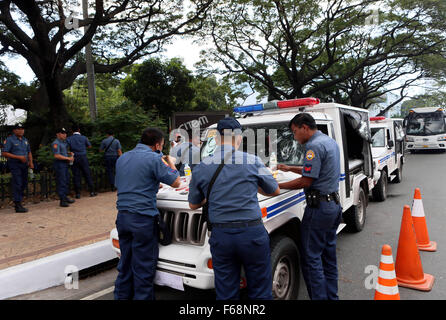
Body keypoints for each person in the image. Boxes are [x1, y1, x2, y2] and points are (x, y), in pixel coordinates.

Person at [188, 117, 280, 300]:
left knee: (226, 293)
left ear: (216, 138)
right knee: (260, 290)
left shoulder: (200, 166)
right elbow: (275, 190)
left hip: (221, 237)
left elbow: (193, 204)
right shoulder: (253, 160)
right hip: (252, 234)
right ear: (239, 137)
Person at [277, 113, 342, 300]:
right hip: (333, 206)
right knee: (328, 258)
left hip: (318, 209)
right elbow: (316, 169)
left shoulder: (313, 146)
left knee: (311, 258)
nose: (295, 137)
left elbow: (306, 181)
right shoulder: (328, 142)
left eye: (295, 132)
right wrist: (290, 169)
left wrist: (277, 185)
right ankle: (332, 297)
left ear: (304, 127)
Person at [114, 128, 180, 300]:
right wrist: (169, 161)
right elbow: (176, 182)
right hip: (142, 220)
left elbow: (126, 183)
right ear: (157, 145)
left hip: (122, 218)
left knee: (125, 265)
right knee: (143, 268)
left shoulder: (123, 158)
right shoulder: (155, 158)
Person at [2, 124, 33, 212]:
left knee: (24, 183)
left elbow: (29, 152)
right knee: (18, 183)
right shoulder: (9, 140)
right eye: (19, 129)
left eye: (22, 129)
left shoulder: (25, 140)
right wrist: (18, 157)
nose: (21, 130)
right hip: (15, 164)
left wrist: (31, 162)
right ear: (14, 131)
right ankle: (17, 204)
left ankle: (18, 200)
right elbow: (4, 153)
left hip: (24, 165)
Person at [66, 125, 97, 198]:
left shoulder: (69, 139)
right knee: (87, 174)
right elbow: (89, 146)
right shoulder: (84, 138)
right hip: (83, 157)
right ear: (79, 130)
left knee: (76, 175)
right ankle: (92, 191)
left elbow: (66, 148)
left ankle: (78, 193)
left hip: (74, 157)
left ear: (72, 131)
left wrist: (70, 152)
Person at [52, 128, 75, 207]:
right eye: (62, 133)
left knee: (66, 180)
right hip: (59, 164)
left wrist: (68, 153)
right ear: (58, 134)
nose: (64, 135)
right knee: (62, 181)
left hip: (65, 164)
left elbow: (62, 152)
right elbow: (56, 155)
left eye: (65, 133)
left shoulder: (63, 142)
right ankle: (62, 200)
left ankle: (65, 197)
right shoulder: (56, 143)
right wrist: (68, 158)